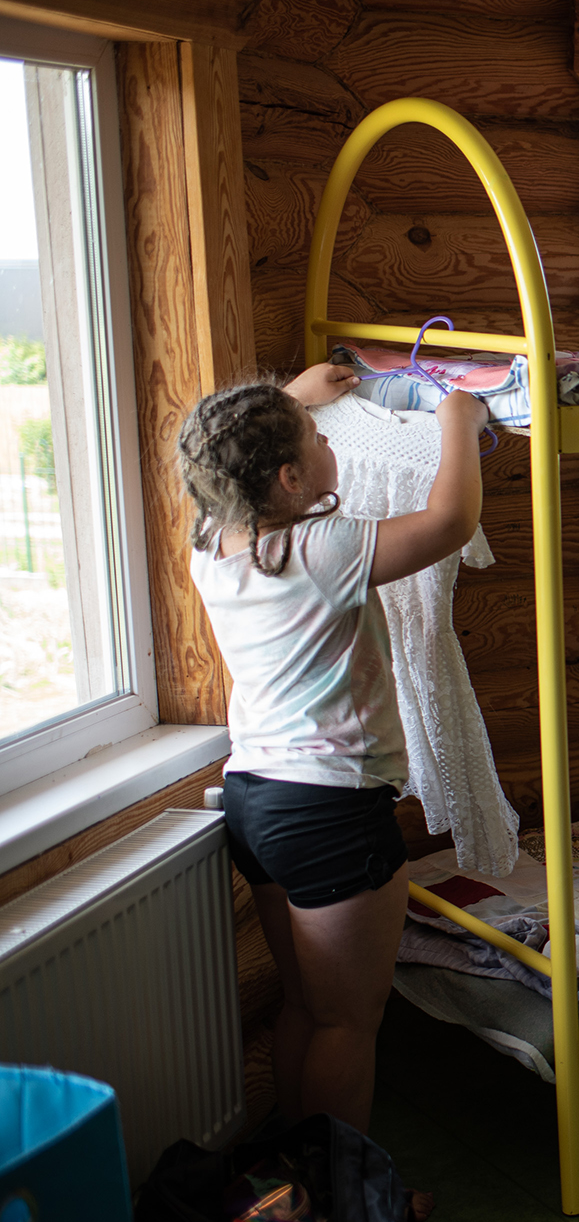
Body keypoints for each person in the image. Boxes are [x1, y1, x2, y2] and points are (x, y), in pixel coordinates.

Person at [180, 362, 484, 1135]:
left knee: (306, 1007)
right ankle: (342, 1192)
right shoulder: (320, 548)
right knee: (348, 1022)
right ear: (288, 478)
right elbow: (450, 521)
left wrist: (292, 398)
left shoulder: (213, 541)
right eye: (316, 436)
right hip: (329, 808)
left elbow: (227, 454)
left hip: (255, 801)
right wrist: (459, 419)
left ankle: (304, 1180)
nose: (327, 439)